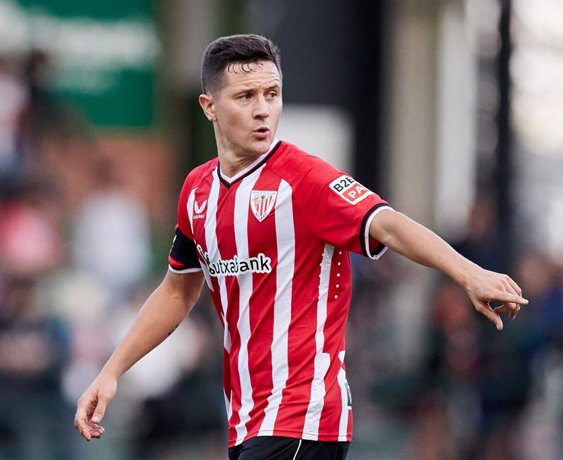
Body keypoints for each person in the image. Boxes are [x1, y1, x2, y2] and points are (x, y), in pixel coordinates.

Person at [74, 34, 528, 460]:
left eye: (272, 94)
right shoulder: (197, 192)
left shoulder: (306, 180)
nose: (263, 110)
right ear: (209, 106)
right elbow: (177, 291)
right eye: (245, 97)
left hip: (304, 415)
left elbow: (387, 223)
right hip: (246, 418)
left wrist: (470, 272)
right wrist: (112, 370)